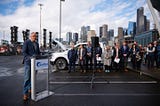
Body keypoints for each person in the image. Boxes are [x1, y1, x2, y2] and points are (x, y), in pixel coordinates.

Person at [22, 32, 40, 101]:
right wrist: (30, 57)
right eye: (33, 36)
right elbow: (24, 52)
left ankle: (31, 89)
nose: (34, 37)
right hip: (28, 63)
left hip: (35, 63)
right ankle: (25, 93)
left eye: (35, 36)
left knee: (33, 78)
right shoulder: (26, 42)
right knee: (27, 78)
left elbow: (38, 53)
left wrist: (41, 55)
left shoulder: (36, 43)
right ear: (30, 36)